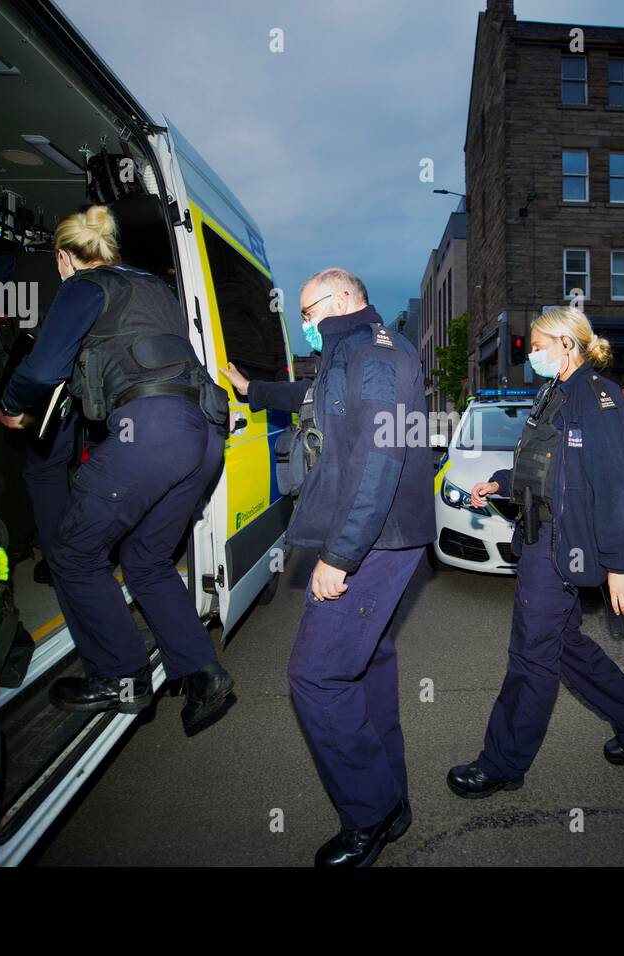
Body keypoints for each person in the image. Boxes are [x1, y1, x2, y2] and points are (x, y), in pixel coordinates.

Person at [222, 267, 433, 867]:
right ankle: (392, 803)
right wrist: (252, 389)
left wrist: (340, 557)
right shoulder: (357, 351)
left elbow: (380, 459)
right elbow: (317, 401)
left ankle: (369, 815)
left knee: (315, 677)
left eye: (309, 314)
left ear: (342, 300)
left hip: (375, 541)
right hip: (378, 536)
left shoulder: (376, 358)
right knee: (368, 666)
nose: (306, 327)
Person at [0, 205, 233, 733]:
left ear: (64, 257)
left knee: (74, 552)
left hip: (152, 431)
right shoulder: (153, 287)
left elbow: (42, 368)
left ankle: (120, 678)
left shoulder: (84, 287)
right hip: (204, 431)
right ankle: (202, 673)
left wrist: (13, 404)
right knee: (146, 558)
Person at [449, 307, 624, 800]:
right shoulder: (554, 393)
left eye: (541, 344)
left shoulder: (598, 397)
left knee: (531, 657)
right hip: (538, 538)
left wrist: (620, 565)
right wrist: (500, 482)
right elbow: (544, 464)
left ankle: (502, 763)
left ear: (569, 344)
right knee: (564, 648)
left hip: (558, 546)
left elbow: (612, 485)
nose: (533, 353)